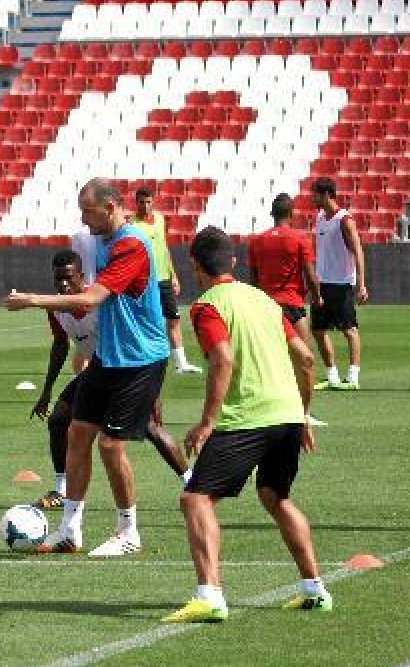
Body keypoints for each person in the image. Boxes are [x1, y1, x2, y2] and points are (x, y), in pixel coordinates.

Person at [162, 226, 331, 623]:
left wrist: (207, 422)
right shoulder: (265, 301)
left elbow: (222, 358)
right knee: (276, 497)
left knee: (195, 499)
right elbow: (306, 359)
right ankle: (315, 589)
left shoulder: (207, 306)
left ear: (194, 265)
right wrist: (302, 414)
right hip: (287, 415)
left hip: (247, 418)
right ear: (234, 262)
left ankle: (209, 595)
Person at [5, 178, 169, 557]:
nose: (83, 219)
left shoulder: (130, 244)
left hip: (139, 359)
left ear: (110, 207)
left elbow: (93, 297)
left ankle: (129, 532)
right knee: (77, 434)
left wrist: (33, 300)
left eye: (88, 211)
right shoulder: (100, 241)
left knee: (110, 446)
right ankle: (69, 531)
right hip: (108, 357)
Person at [31, 250, 189, 510]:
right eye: (58, 279)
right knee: (59, 419)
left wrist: (152, 390)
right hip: (96, 373)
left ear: (82, 276)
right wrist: (46, 390)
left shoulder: (101, 303)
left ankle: (191, 482)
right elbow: (60, 345)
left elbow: (136, 341)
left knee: (150, 428)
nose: (63, 284)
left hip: (127, 371)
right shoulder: (56, 308)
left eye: (69, 278)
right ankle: (62, 489)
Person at [247, 193, 329, 426]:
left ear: (272, 214)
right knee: (305, 361)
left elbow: (253, 278)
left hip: (265, 306)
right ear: (291, 215)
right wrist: (317, 296)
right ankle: (304, 414)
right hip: (291, 306)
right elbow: (310, 274)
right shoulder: (300, 239)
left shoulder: (256, 241)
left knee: (268, 362)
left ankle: (268, 411)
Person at [130, 187, 202, 374]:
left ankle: (181, 363)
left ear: (153, 202)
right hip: (145, 281)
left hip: (164, 279)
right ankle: (143, 361)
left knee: (174, 319)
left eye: (148, 202)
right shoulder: (132, 225)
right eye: (141, 202)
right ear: (136, 203)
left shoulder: (160, 219)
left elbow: (164, 248)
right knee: (147, 322)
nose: (145, 206)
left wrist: (173, 275)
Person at [309, 177, 367, 390]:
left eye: (315, 195)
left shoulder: (345, 220)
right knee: (318, 330)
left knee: (349, 329)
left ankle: (353, 377)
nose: (312, 199)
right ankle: (332, 375)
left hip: (341, 284)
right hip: (322, 283)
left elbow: (358, 252)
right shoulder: (320, 218)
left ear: (326, 195)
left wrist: (361, 284)